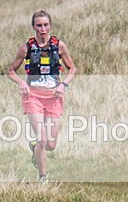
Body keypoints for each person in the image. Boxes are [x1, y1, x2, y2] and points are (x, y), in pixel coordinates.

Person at [6, 10, 76, 182]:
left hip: (54, 96)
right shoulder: (26, 48)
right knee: (42, 139)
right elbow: (10, 71)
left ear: (50, 25)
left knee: (51, 145)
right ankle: (43, 177)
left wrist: (63, 84)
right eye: (39, 25)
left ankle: (35, 149)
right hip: (33, 96)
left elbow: (72, 69)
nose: (42, 29)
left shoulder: (59, 46)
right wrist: (21, 83)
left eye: (45, 25)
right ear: (33, 27)